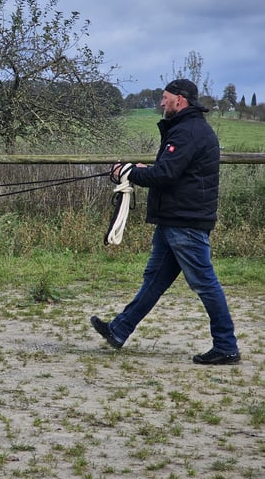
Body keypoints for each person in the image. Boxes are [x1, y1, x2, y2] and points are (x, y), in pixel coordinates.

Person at [91, 79, 240, 365]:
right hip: (175, 218)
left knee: (205, 283)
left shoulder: (187, 132)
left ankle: (226, 346)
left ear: (179, 100)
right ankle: (119, 330)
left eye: (164, 98)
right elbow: (172, 170)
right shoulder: (189, 129)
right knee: (154, 280)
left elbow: (165, 175)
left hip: (185, 221)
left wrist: (129, 172)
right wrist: (144, 169)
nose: (161, 103)